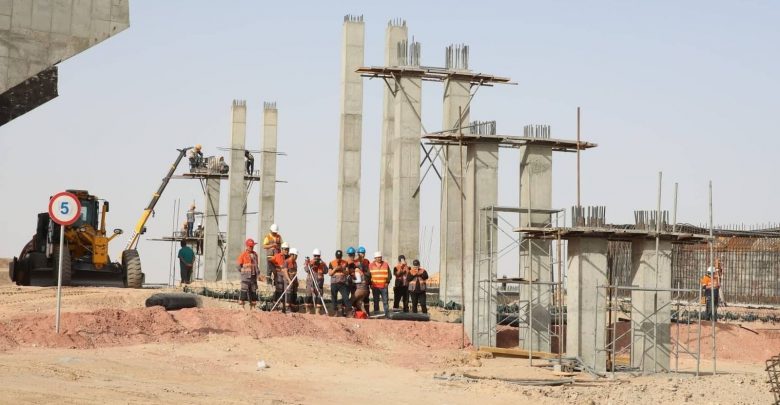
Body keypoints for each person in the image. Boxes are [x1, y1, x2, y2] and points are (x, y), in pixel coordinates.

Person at [236, 238, 262, 310]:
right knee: (244, 290)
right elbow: (238, 266)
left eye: (252, 246)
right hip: (245, 277)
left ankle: (253, 307)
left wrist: (258, 274)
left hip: (253, 276)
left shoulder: (255, 255)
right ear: (247, 246)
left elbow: (256, 265)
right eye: (250, 246)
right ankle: (241, 306)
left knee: (253, 291)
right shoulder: (243, 255)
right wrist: (243, 271)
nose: (252, 247)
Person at [368, 251, 391, 318]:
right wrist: (370, 284)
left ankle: (387, 314)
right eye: (377, 257)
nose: (379, 259)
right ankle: (376, 314)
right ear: (375, 258)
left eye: (380, 257)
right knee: (376, 301)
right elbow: (368, 276)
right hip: (375, 287)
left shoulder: (385, 264)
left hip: (384, 286)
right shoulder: (370, 265)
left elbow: (389, 275)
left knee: (385, 301)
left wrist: (387, 282)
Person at [304, 249, 327, 315]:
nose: (316, 257)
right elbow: (306, 269)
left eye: (318, 256)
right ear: (313, 256)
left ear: (320, 256)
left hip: (319, 282)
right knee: (308, 295)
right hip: (310, 281)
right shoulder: (310, 262)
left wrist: (322, 264)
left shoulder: (322, 263)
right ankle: (308, 311)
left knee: (319, 296)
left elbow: (326, 271)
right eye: (315, 256)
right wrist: (310, 264)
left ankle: (317, 311)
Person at [328, 249, 350, 317]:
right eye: (337, 257)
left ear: (341, 256)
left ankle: (348, 311)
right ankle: (336, 312)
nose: (338, 258)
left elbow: (347, 272)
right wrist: (335, 269)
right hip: (334, 283)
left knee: (346, 297)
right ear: (335, 256)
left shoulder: (345, 262)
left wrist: (342, 269)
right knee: (334, 298)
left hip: (342, 283)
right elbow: (330, 273)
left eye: (340, 257)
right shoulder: (331, 263)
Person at [272, 242, 291, 311]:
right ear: (282, 249)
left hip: (286, 277)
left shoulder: (289, 257)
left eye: (287, 249)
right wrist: (273, 272)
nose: (286, 251)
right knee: (279, 291)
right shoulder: (277, 256)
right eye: (285, 249)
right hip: (279, 275)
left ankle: (283, 308)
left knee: (285, 292)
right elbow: (270, 262)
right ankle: (275, 306)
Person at [356, 246, 371, 316]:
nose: (363, 254)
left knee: (366, 298)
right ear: (358, 253)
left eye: (363, 253)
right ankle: (358, 312)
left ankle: (367, 312)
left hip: (366, 282)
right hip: (357, 283)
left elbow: (369, 272)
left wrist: (369, 281)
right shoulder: (355, 261)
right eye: (361, 253)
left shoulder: (367, 261)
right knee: (357, 298)